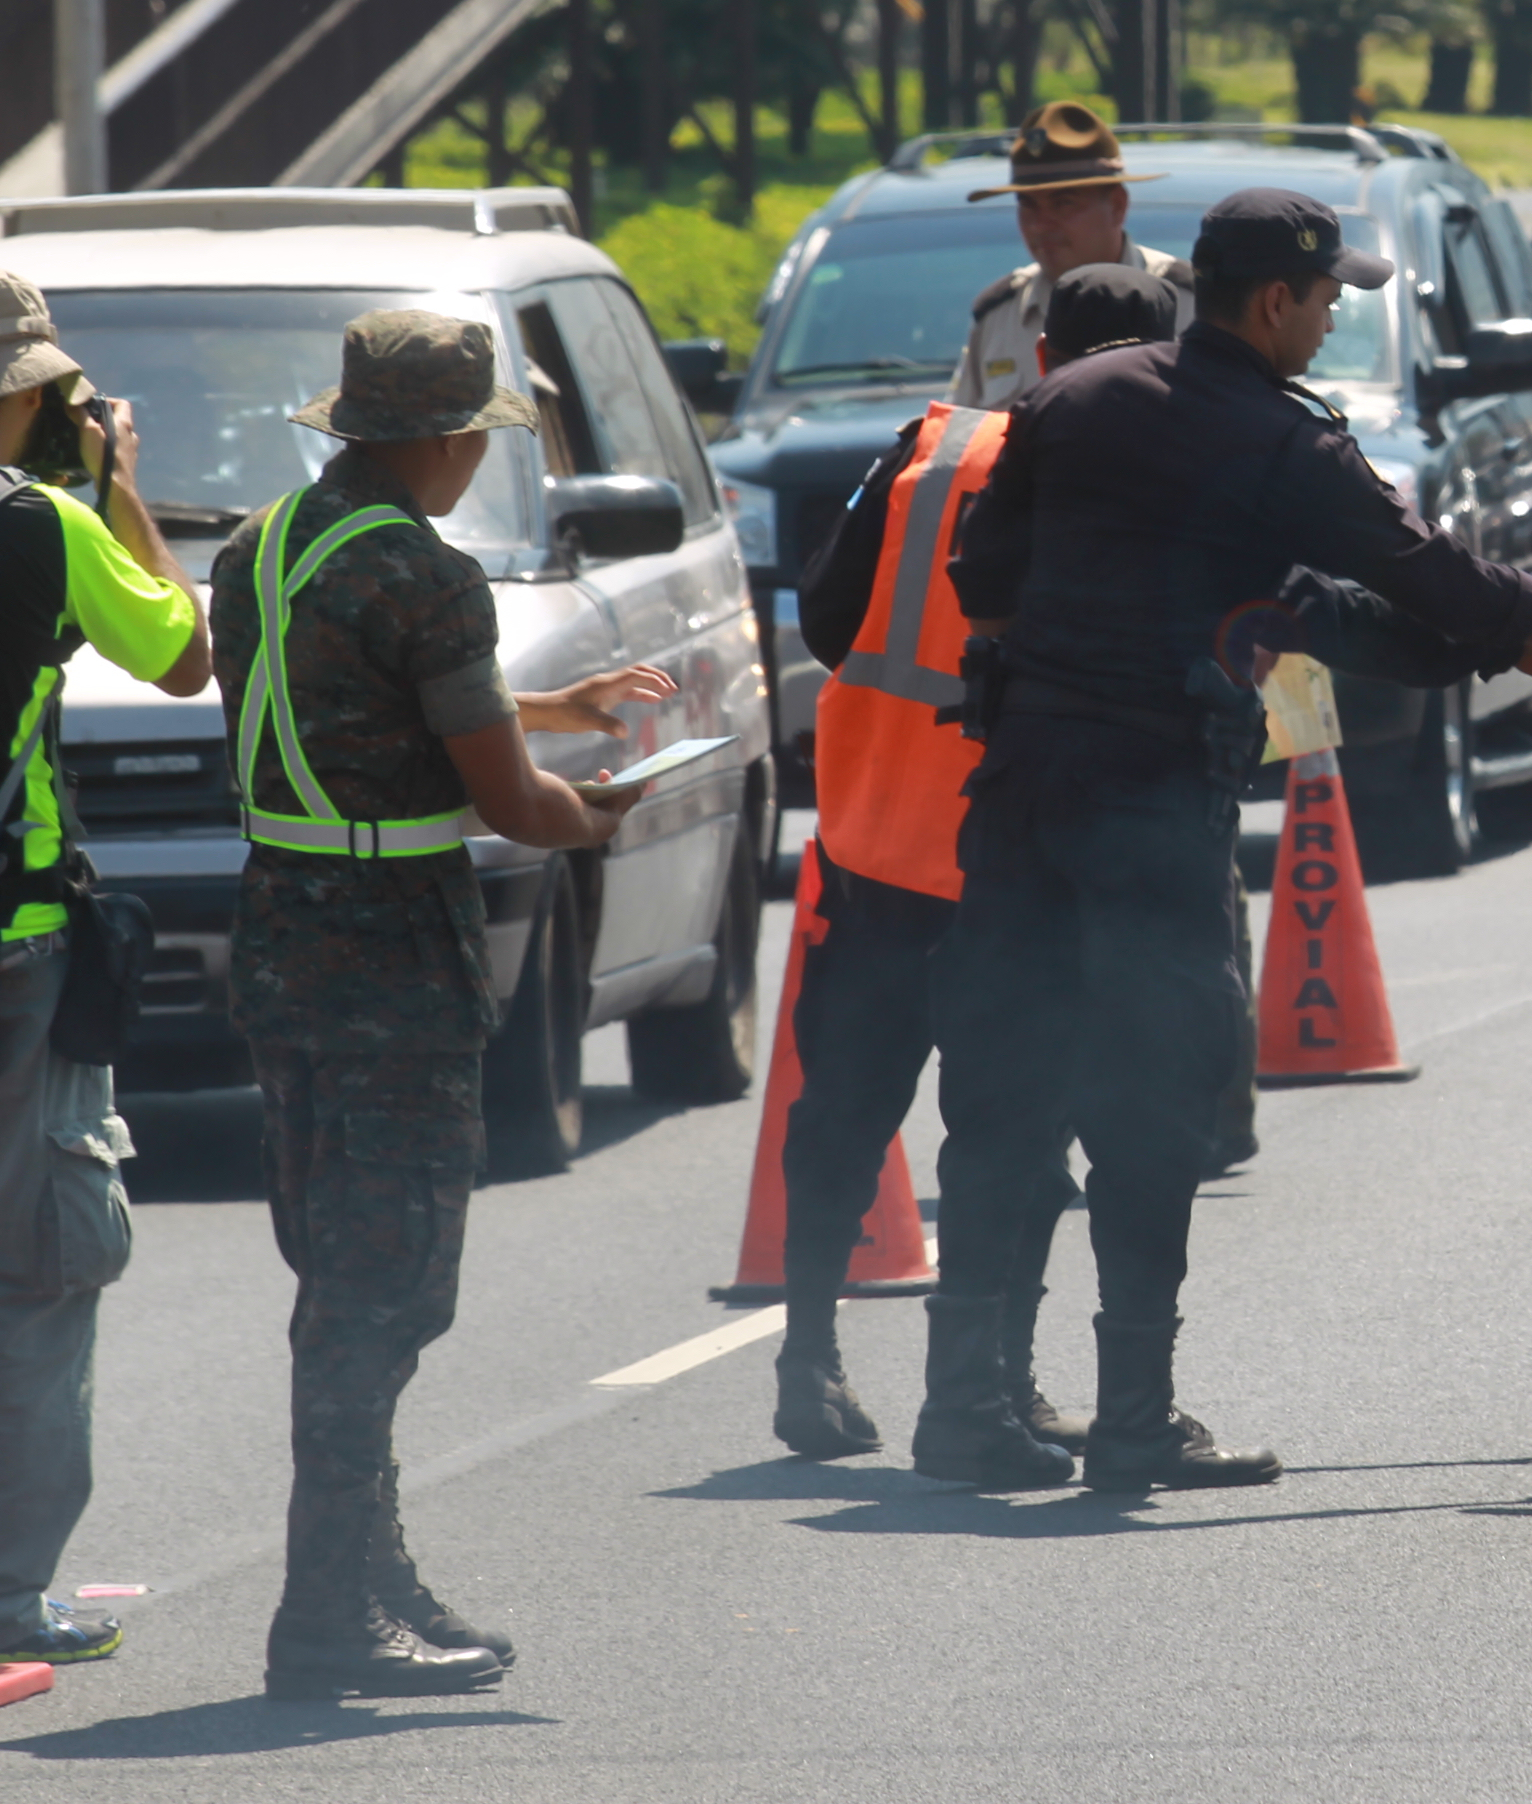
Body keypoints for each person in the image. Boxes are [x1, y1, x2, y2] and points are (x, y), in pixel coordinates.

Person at [922, 189, 1532, 1493]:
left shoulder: (1071, 401)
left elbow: (983, 576)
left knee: (1005, 1092)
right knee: (1151, 1110)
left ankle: (965, 1412)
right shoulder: (1283, 445)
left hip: (1020, 789)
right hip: (1149, 802)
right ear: (1275, 301)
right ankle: (1133, 1420)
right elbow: (1444, 590)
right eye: (1329, 297)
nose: (1335, 316)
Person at [211, 312, 672, 1700]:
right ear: (444, 437)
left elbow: (351, 707)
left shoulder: (262, 544)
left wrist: (544, 706)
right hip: (395, 958)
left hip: (288, 933)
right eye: (477, 434)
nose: (478, 456)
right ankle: (327, 1609)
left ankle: (365, 1571)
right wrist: (593, 815)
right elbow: (502, 805)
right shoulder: (429, 572)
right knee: (385, 1288)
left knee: (338, 1274)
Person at [764, 263, 1184, 1470]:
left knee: (844, 1108)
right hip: (1014, 855)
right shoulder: (1113, 477)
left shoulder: (928, 448)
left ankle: (809, 1357)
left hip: (874, 834)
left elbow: (831, 619)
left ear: (1042, 350)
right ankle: (1000, 1384)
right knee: (1011, 1128)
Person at [0, 276, 213, 1674]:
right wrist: (119, 484)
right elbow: (188, 655)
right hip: (16, 956)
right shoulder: (43, 525)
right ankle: (15, 1593)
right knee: (40, 1269)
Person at [950, 102, 1195, 409]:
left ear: (1118, 205)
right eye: (1028, 205)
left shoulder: (1191, 304)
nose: (1040, 224)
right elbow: (965, 441)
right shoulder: (999, 315)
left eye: (1063, 203)